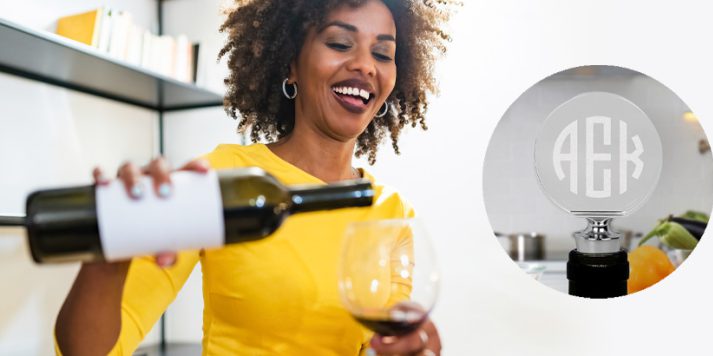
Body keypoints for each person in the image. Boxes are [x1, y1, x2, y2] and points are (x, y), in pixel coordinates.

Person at [54, 0, 453, 355]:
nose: (366, 65)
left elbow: (379, 347)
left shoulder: (391, 211)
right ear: (291, 64)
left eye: (383, 53)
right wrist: (107, 260)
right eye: (339, 43)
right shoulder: (224, 177)